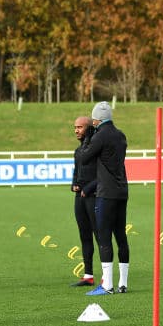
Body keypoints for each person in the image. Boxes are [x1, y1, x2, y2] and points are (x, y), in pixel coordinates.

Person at [83, 101, 130, 296]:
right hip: (122, 191)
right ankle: (123, 283)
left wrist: (88, 139)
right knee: (121, 236)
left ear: (96, 119)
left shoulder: (100, 136)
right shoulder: (120, 135)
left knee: (104, 237)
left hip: (106, 193)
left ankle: (108, 284)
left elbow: (85, 158)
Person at [70, 116, 97, 287]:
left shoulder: (95, 149)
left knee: (100, 236)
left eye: (79, 127)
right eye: (75, 127)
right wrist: (74, 185)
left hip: (94, 196)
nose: (76, 130)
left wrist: (88, 188)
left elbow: (101, 174)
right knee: (84, 235)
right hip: (79, 198)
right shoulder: (78, 151)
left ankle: (107, 276)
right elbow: (76, 171)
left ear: (88, 128)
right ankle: (88, 275)